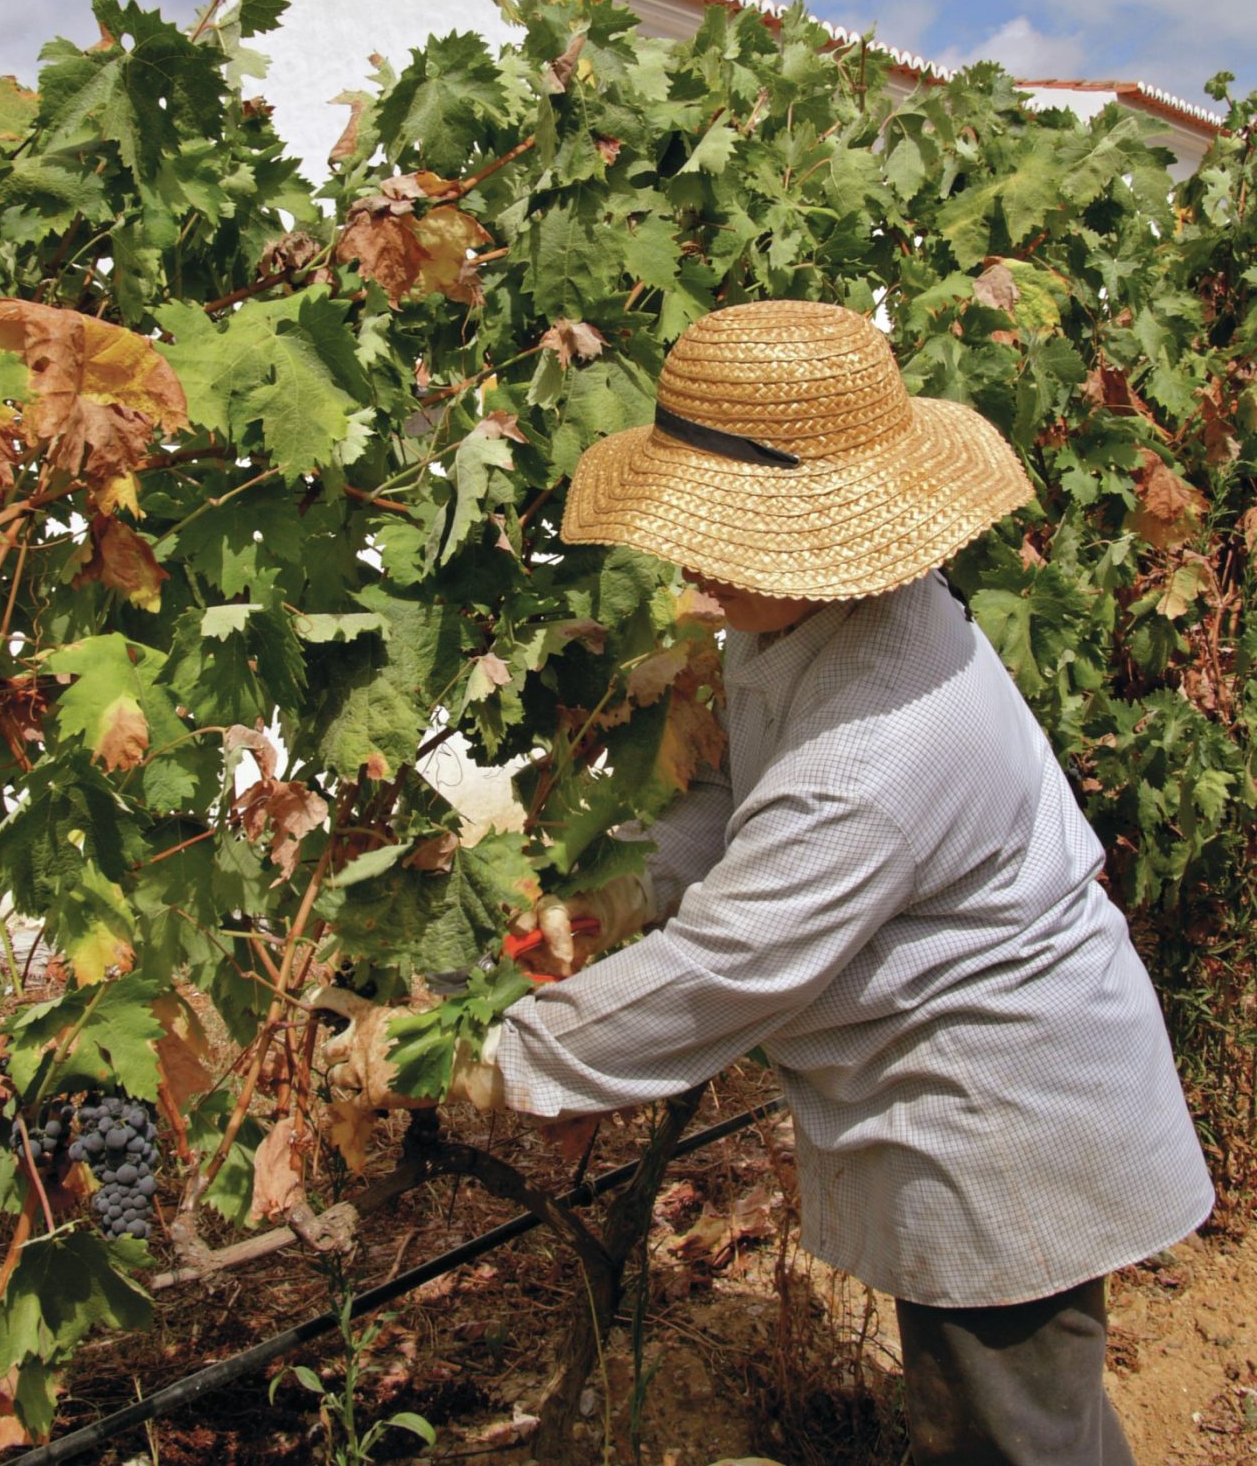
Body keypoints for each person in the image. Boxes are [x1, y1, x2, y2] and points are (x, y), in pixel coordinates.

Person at [316, 299, 1213, 1466]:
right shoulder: (810, 614)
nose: (692, 562)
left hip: (1008, 1118)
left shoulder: (879, 751)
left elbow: (729, 971)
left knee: (1015, 1438)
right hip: (959, 1080)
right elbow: (744, 804)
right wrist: (607, 905)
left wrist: (472, 1058)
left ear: (817, 536)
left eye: (723, 532)